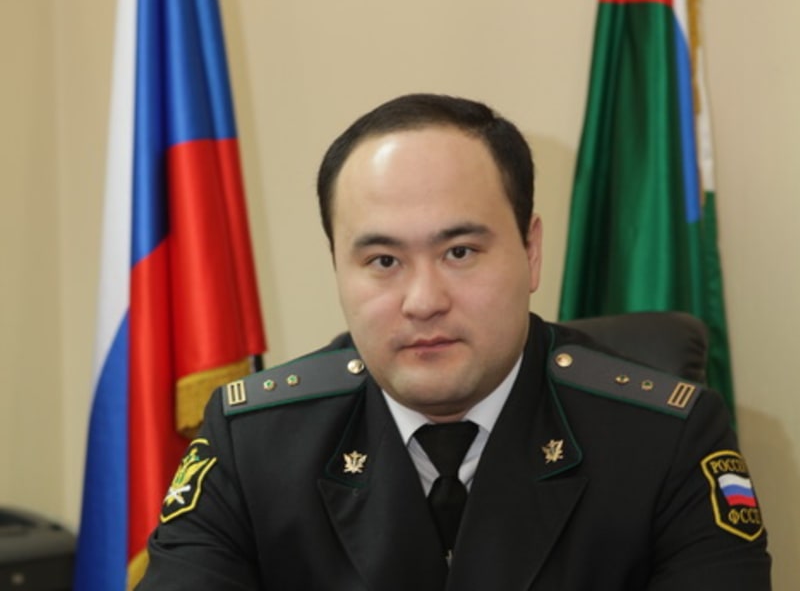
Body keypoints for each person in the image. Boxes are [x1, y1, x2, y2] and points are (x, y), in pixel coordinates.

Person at [136, 93, 771, 589]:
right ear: (337, 269)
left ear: (531, 251)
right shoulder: (253, 443)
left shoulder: (663, 442)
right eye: (383, 261)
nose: (423, 301)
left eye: (460, 252)